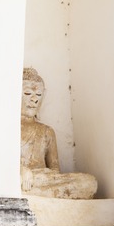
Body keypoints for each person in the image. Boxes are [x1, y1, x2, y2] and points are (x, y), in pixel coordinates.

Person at [20, 67, 97, 199]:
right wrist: (21, 170)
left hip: (43, 181)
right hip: (20, 180)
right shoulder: (7, 129)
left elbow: (55, 172)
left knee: (88, 182)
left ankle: (36, 192)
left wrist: (41, 176)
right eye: (27, 94)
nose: (34, 100)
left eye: (38, 95)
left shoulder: (46, 131)